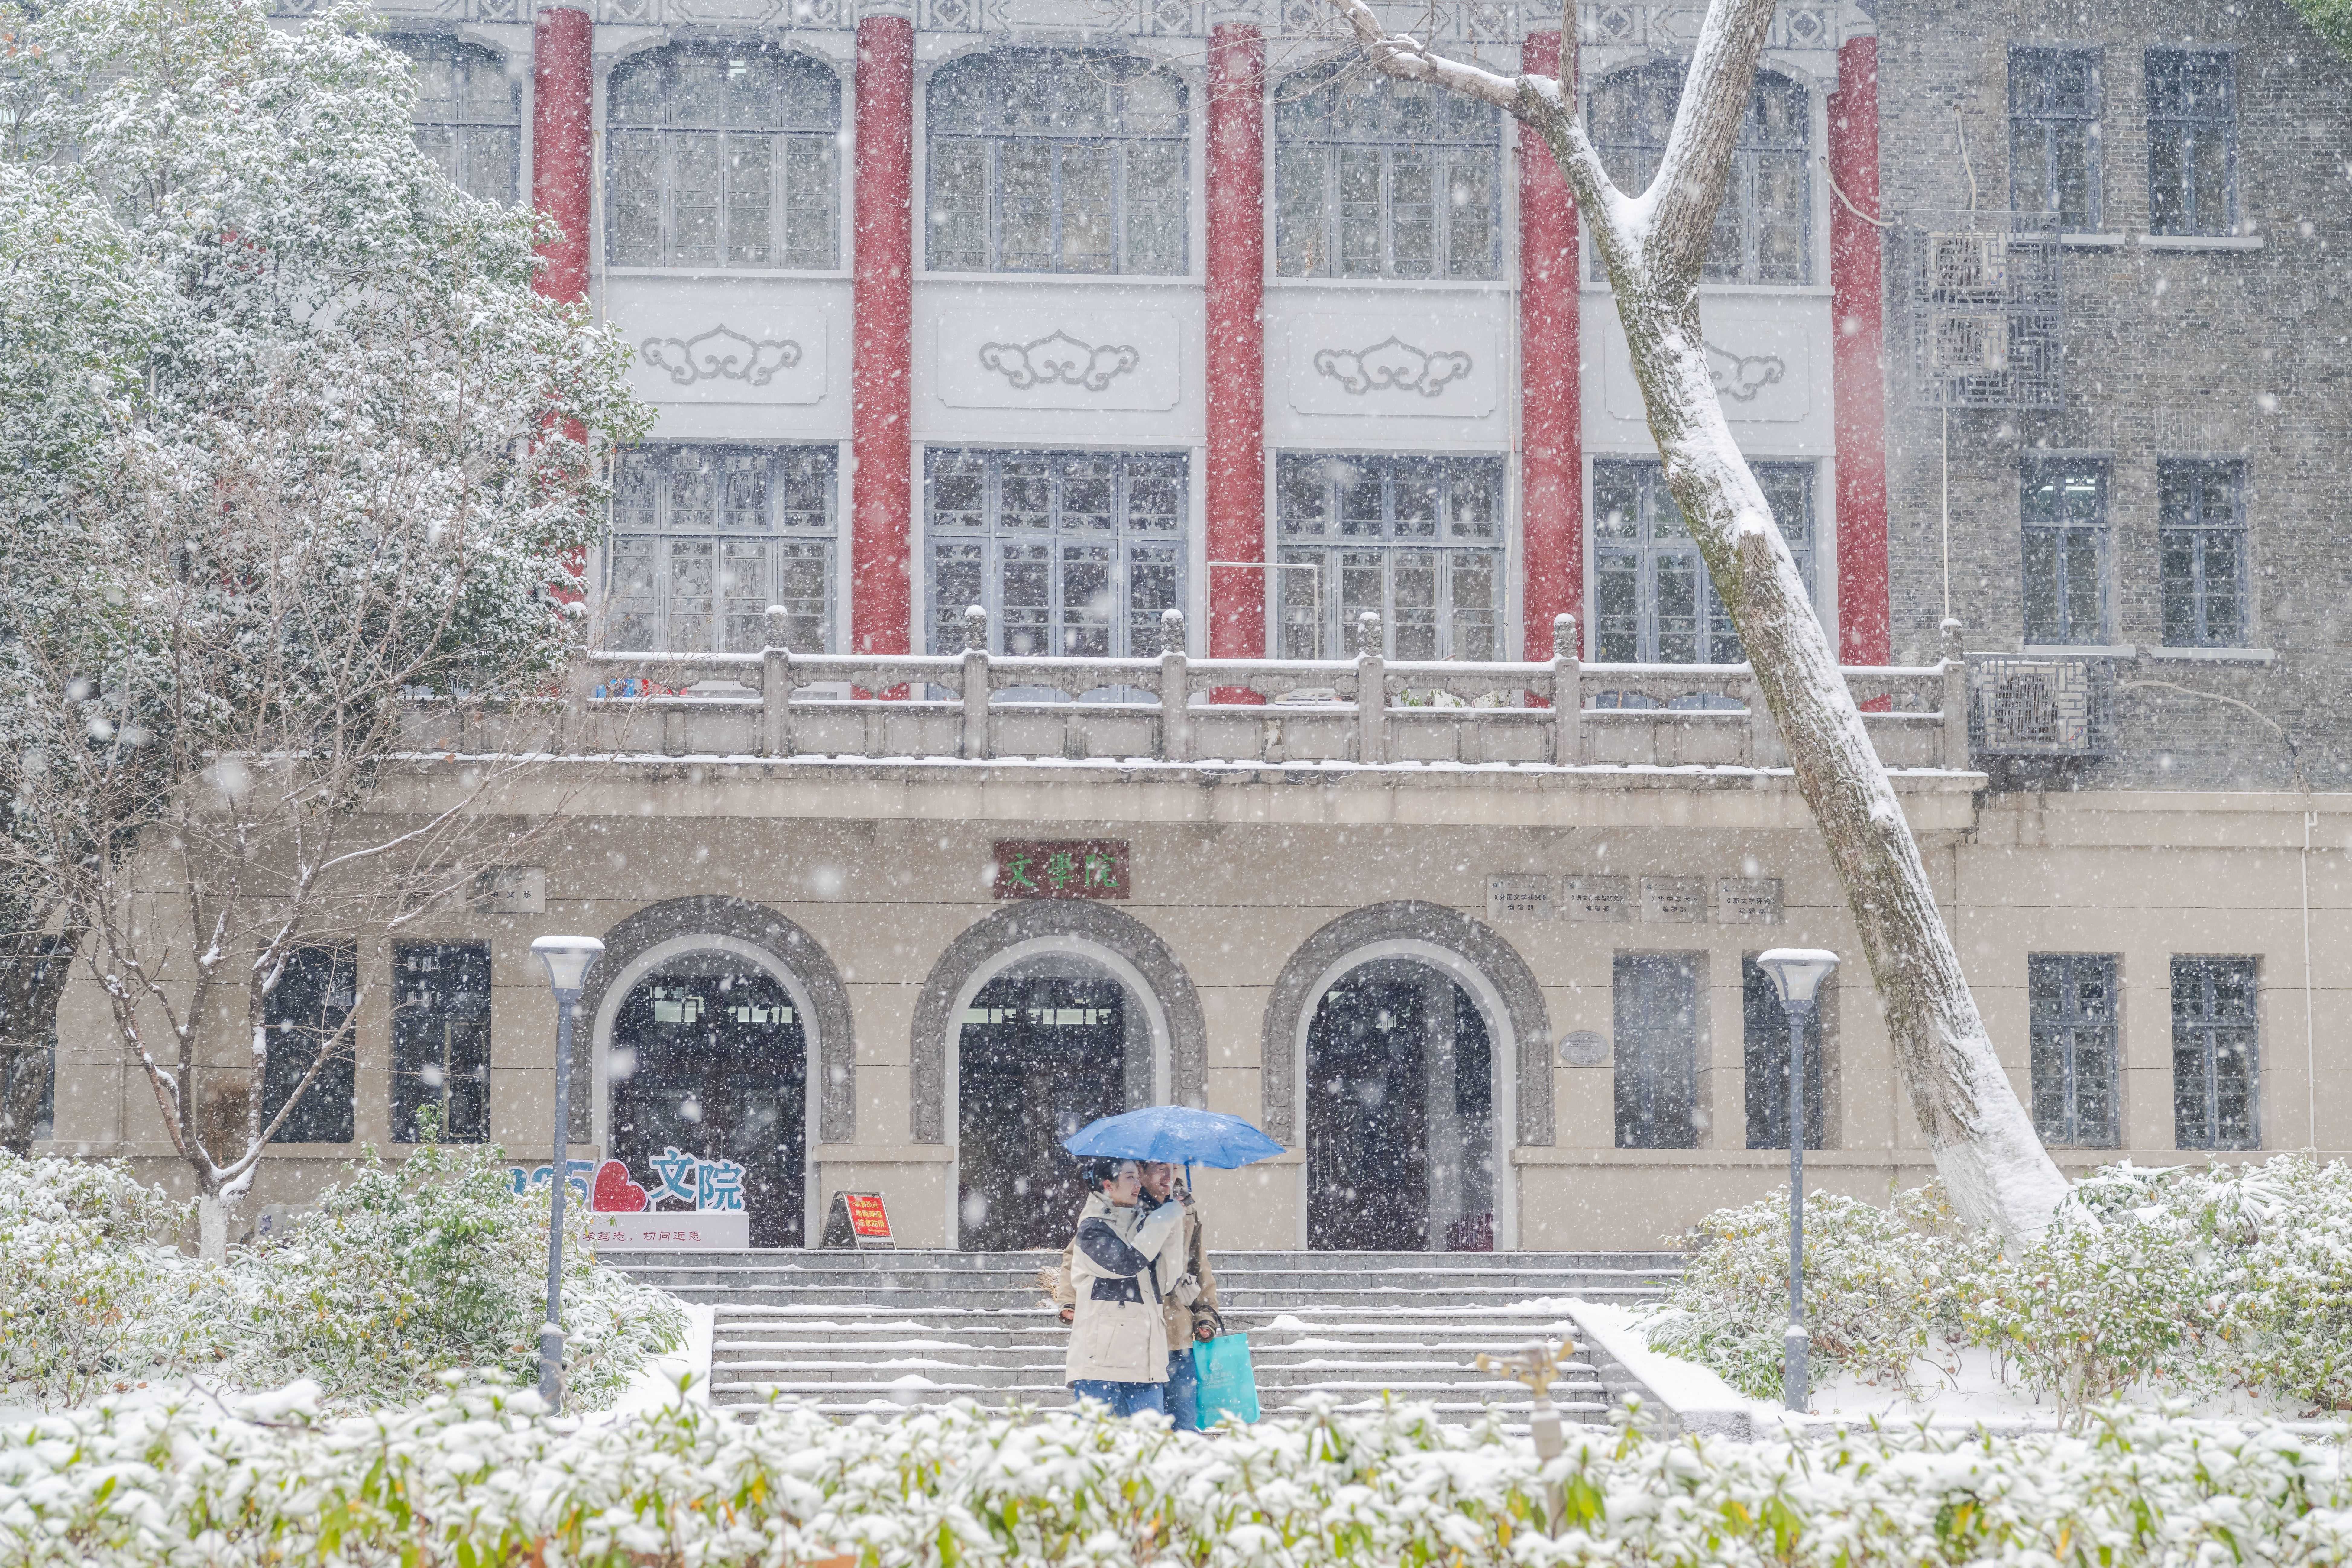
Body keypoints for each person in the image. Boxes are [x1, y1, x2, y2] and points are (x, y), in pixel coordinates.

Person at [1045, 1159, 1222, 1429]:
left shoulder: (1182, 1208)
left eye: (1174, 1169)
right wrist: (1068, 1299)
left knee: (1180, 1430)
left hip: (1173, 1332)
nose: (1169, 1175)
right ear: (1141, 1171)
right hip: (1118, 1341)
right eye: (1161, 1168)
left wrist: (1206, 1312)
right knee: (1117, 1432)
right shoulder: (1110, 1213)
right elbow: (1082, 1256)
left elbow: (1195, 1264)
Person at [1063, 1156, 1186, 1418]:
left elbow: (1166, 1282)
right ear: (1108, 1185)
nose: (1138, 1184)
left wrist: (1173, 1226)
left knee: (1148, 1447)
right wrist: (1162, 1221)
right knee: (1096, 1446)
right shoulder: (1092, 1229)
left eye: (1137, 1176)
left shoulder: (1143, 1222)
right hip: (1099, 1364)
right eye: (1130, 1177)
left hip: (1146, 1359)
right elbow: (1127, 1263)